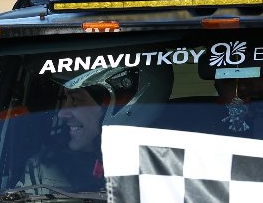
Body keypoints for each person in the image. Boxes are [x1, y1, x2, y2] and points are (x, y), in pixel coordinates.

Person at [20, 64, 171, 191]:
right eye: (66, 99)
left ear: (124, 103)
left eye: (76, 100)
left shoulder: (168, 171)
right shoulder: (44, 167)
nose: (62, 114)